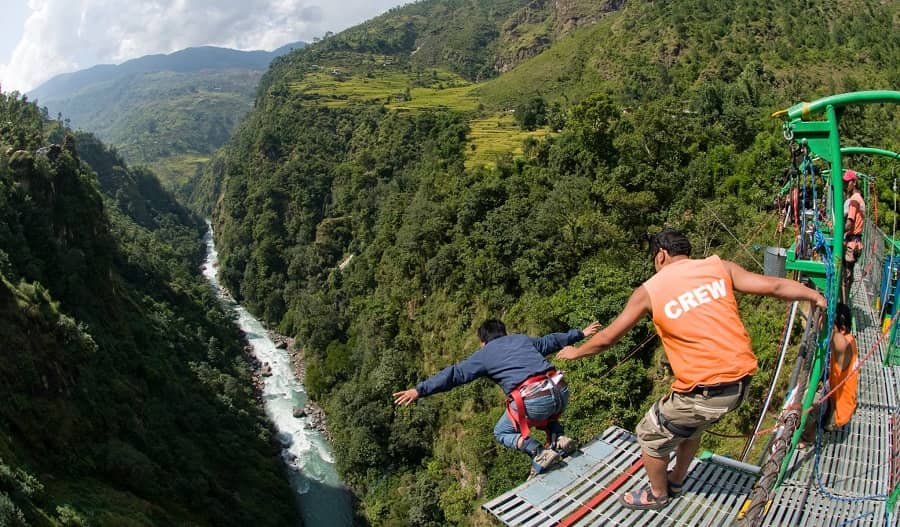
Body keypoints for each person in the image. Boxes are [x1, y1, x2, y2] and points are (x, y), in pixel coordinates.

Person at [557, 228, 826, 510]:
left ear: (661, 255)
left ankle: (658, 495)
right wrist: (813, 296)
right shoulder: (718, 267)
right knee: (690, 427)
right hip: (741, 384)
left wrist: (576, 352)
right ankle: (676, 479)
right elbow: (773, 286)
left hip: (707, 392)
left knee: (649, 433)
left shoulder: (650, 289)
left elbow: (607, 338)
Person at [393, 319, 600, 476]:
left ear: (482, 341)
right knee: (545, 410)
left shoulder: (484, 354)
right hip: (559, 389)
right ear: (505, 333)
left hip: (533, 398)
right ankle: (559, 439)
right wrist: (580, 333)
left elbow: (454, 374)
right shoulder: (521, 339)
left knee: (502, 430)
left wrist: (419, 390)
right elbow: (552, 341)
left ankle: (538, 451)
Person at [799, 303, 859, 448]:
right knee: (809, 392)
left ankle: (808, 437)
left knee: (804, 405)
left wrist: (828, 323)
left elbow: (840, 344)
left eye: (829, 325)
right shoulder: (850, 338)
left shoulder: (844, 348)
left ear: (842, 329)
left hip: (836, 414)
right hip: (838, 398)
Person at [842, 169, 865, 299]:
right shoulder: (860, 198)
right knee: (849, 275)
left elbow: (850, 223)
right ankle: (845, 306)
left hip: (852, 243)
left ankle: (843, 308)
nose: (846, 185)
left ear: (854, 182)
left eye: (848, 182)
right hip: (857, 242)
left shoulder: (854, 200)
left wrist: (840, 232)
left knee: (845, 275)